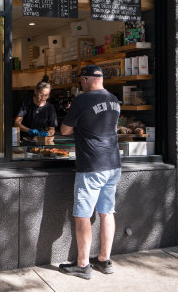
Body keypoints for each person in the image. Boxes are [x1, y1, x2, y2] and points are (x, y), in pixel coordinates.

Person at [58, 64, 122, 280]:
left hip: (92, 165)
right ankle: (104, 260)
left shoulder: (82, 100)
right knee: (107, 212)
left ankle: (83, 264)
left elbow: (65, 130)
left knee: (82, 215)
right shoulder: (114, 99)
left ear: (84, 80)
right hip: (113, 162)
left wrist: (72, 115)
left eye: (80, 81)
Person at [14, 76, 57, 142]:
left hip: (39, 140)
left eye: (46, 95)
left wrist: (47, 133)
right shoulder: (26, 104)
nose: (43, 97)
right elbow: (16, 123)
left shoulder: (50, 108)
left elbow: (52, 129)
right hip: (22, 139)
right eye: (41, 94)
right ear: (35, 91)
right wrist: (29, 130)